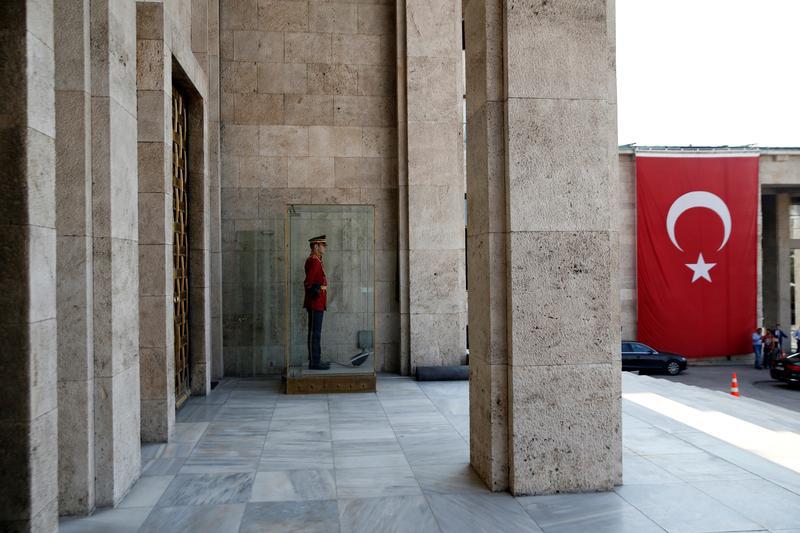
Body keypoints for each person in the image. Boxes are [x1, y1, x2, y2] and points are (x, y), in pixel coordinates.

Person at [304, 235, 330, 370]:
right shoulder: (314, 261)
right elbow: (308, 282)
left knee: (315, 332)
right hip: (315, 302)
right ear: (315, 247)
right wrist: (316, 292)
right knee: (315, 333)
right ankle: (315, 362)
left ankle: (315, 359)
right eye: (322, 245)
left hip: (318, 302)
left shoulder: (317, 260)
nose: (325, 247)